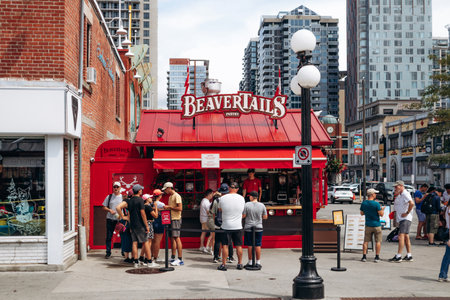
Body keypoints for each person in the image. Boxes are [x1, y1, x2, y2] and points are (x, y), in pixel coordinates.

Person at [116, 184, 151, 268]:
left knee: (134, 243)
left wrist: (123, 216)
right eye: (141, 190)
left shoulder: (129, 200)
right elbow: (143, 214)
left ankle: (135, 261)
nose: (142, 191)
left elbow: (118, 207)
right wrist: (146, 225)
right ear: (139, 191)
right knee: (145, 242)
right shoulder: (140, 200)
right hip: (140, 225)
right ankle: (149, 261)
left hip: (132, 225)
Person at [217, 182, 245, 271]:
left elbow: (220, 209)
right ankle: (240, 263)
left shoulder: (222, 198)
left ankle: (224, 264)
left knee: (225, 245)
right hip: (238, 225)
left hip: (226, 225)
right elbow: (243, 212)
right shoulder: (242, 198)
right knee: (238, 245)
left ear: (229, 188)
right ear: (237, 189)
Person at [389, 180, 415, 263]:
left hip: (405, 218)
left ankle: (399, 255)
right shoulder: (401, 194)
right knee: (406, 236)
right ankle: (409, 255)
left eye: (396, 186)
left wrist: (407, 212)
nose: (395, 188)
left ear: (401, 186)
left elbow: (412, 203)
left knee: (401, 236)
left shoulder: (405, 193)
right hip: (402, 218)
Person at [242, 191, 268, 268]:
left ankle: (250, 262)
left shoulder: (246, 205)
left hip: (248, 227)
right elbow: (265, 217)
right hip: (259, 227)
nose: (249, 197)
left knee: (250, 245)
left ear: (252, 197)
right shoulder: (262, 205)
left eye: (249, 196)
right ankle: (258, 262)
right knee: (258, 244)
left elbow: (244, 215)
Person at [360, 188, 385, 263]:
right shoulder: (376, 204)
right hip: (376, 224)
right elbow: (381, 214)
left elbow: (362, 213)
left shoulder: (364, 203)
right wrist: (382, 209)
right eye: (375, 193)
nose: (376, 195)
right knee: (378, 241)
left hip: (368, 224)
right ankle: (377, 257)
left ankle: (364, 256)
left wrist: (368, 212)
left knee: (366, 241)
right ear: (372, 194)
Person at [162, 182, 184, 266]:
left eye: (165, 189)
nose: (165, 191)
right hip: (171, 218)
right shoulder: (170, 196)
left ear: (169, 188)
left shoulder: (176, 196)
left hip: (176, 219)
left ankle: (180, 259)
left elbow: (180, 208)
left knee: (177, 238)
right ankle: (173, 256)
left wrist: (169, 207)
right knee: (172, 238)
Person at [210, 187, 233, 263]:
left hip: (218, 223)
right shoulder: (230, 200)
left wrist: (215, 221)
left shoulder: (216, 201)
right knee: (229, 241)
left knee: (217, 241)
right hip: (228, 223)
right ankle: (230, 257)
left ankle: (216, 257)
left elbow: (213, 213)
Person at [102, 181, 123, 259]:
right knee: (109, 236)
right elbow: (103, 206)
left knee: (122, 236)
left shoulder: (123, 197)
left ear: (120, 188)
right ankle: (108, 252)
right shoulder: (109, 196)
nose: (116, 188)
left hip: (120, 219)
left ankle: (123, 251)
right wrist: (109, 210)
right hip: (110, 219)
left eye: (117, 187)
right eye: (114, 187)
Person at [138, 193, 159, 267]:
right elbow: (155, 216)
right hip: (149, 224)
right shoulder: (149, 207)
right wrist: (156, 207)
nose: (151, 198)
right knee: (149, 242)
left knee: (146, 242)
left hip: (143, 224)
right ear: (147, 199)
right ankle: (147, 259)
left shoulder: (143, 206)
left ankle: (141, 258)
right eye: (150, 197)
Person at [151, 189, 164, 262]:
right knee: (157, 241)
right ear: (159, 196)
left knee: (152, 240)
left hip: (152, 221)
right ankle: (156, 257)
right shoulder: (161, 204)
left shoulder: (150, 203)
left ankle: (151, 255)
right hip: (159, 221)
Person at [199, 189, 214, 253]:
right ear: (209, 194)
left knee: (203, 232)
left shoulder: (203, 200)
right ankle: (208, 247)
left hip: (202, 218)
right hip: (206, 219)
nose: (212, 196)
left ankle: (202, 246)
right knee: (212, 234)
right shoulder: (207, 202)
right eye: (212, 194)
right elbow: (208, 212)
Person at [438, 200, 450, 281]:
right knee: (447, 256)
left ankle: (443, 275)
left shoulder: (447, 208)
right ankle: (442, 275)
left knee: (447, 256)